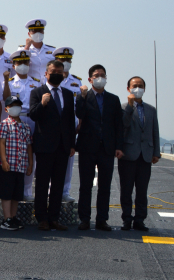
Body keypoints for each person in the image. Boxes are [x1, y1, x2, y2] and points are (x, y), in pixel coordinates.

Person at [75, 64, 123, 231]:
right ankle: (85, 219)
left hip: (107, 148)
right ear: (90, 79)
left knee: (105, 186)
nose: (100, 78)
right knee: (85, 185)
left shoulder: (113, 99)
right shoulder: (84, 97)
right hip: (88, 147)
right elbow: (79, 114)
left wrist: (118, 146)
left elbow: (118, 125)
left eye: (102, 75)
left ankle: (102, 219)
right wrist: (81, 96)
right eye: (96, 75)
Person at [28, 60, 76, 231]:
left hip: (63, 146)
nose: (57, 74)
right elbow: (33, 115)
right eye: (53, 71)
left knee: (58, 183)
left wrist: (72, 144)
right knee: (42, 183)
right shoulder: (37, 92)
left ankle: (54, 217)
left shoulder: (69, 94)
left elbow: (70, 121)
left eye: (60, 71)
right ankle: (41, 218)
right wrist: (42, 103)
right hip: (45, 145)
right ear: (46, 74)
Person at [119, 76, 160, 232]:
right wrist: (129, 107)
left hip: (146, 155)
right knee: (126, 189)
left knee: (142, 190)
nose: (137, 88)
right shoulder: (123, 107)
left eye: (140, 85)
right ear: (128, 88)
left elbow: (154, 131)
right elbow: (123, 126)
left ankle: (140, 220)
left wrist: (156, 152)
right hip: (128, 154)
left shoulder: (151, 109)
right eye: (134, 85)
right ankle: (127, 219)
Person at [2, 50, 40, 202]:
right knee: (16, 154)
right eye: (19, 63)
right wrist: (5, 82)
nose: (23, 65)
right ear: (13, 65)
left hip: (31, 119)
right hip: (15, 120)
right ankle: (15, 190)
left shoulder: (37, 82)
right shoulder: (10, 82)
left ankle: (27, 190)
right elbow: (5, 99)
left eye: (25, 62)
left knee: (31, 155)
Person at [0, 96, 33, 231]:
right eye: (12, 105)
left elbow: (29, 146)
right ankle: (6, 219)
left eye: (17, 105)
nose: (15, 108)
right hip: (8, 164)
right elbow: (1, 143)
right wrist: (3, 160)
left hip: (21, 164)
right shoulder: (4, 124)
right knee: (6, 192)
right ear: (6, 109)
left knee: (17, 194)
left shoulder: (26, 127)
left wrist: (30, 163)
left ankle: (13, 216)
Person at [53, 47, 82, 203]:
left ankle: (65, 190)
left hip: (70, 125)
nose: (65, 62)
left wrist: (80, 122)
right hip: (52, 126)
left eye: (68, 60)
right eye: (62, 60)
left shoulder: (76, 81)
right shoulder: (49, 80)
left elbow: (80, 106)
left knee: (69, 160)